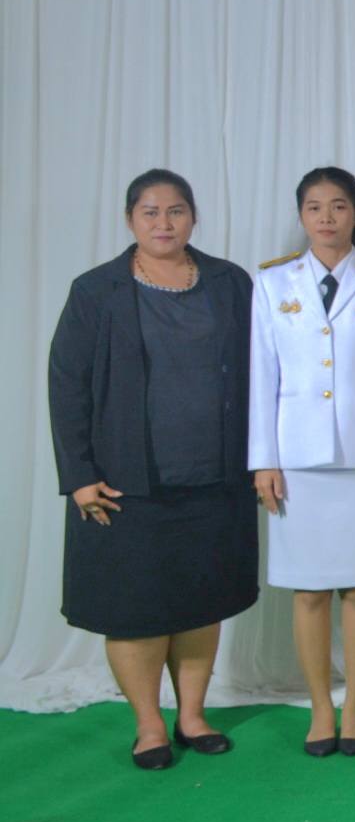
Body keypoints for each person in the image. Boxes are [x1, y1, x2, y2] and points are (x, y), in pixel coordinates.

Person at [48, 170, 259, 770]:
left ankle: (192, 714)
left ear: (194, 217)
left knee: (201, 599)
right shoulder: (96, 291)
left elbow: (260, 373)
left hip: (216, 475)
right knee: (135, 607)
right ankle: (148, 725)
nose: (163, 224)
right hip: (125, 482)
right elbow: (67, 386)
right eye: (150, 213)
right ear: (129, 220)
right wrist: (78, 474)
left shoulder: (229, 283)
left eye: (175, 211)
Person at [250, 166, 355, 757]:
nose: (326, 217)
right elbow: (261, 376)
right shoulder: (271, 284)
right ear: (300, 216)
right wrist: (262, 458)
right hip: (297, 460)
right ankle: (320, 708)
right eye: (314, 207)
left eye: (339, 206)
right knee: (310, 591)